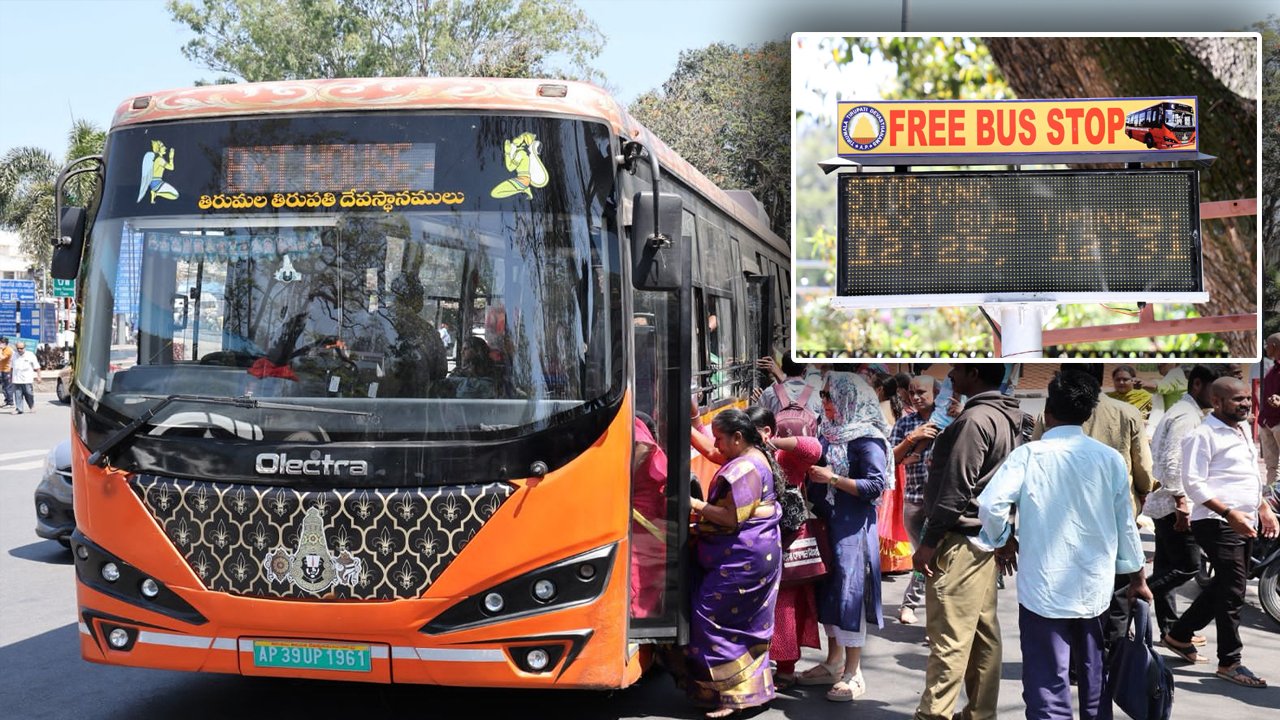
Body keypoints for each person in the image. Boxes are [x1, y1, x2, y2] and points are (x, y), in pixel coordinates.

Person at [977, 370, 1151, 720]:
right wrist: (1137, 578)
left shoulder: (1029, 455)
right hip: (1095, 588)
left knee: (1047, 679)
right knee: (1094, 673)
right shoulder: (1110, 460)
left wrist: (1002, 541)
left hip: (1043, 587)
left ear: (1047, 412)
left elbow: (990, 506)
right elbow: (1125, 526)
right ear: (1088, 414)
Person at [912, 364, 1024, 720]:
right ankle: (979, 712)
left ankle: (934, 714)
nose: (950, 375)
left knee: (950, 638)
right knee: (980, 632)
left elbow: (956, 489)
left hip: (960, 541)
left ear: (973, 373)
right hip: (984, 538)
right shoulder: (1007, 416)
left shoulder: (976, 420)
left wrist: (929, 541)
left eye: (957, 368)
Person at [1163, 377, 1280, 688]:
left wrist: (1263, 508)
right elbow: (1194, 484)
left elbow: (1248, 475)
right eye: (1237, 400)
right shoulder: (1202, 435)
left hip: (1244, 519)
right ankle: (1230, 662)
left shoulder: (1241, 430)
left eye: (1246, 399)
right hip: (1217, 522)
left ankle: (1178, 634)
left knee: (1227, 584)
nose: (1244, 404)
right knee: (1232, 592)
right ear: (1216, 402)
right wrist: (1230, 514)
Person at [794, 371, 889, 703]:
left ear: (849, 398)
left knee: (850, 595)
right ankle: (833, 663)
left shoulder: (867, 439)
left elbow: (875, 485)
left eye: (828, 396)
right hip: (828, 526)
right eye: (822, 396)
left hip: (852, 529)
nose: (824, 402)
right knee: (830, 592)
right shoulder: (829, 433)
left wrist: (832, 479)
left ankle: (853, 672)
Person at [685, 408, 783, 718]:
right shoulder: (752, 457)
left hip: (744, 558)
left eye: (721, 439)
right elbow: (713, 454)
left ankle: (732, 695)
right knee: (743, 623)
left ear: (737, 438)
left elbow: (730, 517)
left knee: (709, 618)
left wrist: (696, 505)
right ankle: (749, 691)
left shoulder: (745, 469)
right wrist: (687, 419)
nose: (718, 446)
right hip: (753, 553)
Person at [1143, 365, 1219, 642]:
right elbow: (1173, 463)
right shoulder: (1186, 417)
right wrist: (1181, 503)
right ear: (1197, 385)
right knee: (1187, 566)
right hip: (1175, 504)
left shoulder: (1186, 412)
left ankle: (1169, 630)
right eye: (1215, 389)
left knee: (1166, 567)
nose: (1219, 396)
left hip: (1168, 503)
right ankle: (1126, 597)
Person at [889, 374, 940, 625]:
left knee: (932, 557)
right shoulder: (905, 424)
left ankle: (916, 606)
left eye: (921, 392)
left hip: (940, 501)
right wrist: (912, 439)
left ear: (936, 393)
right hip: (913, 498)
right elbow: (889, 460)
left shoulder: (949, 420)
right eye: (911, 392)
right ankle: (914, 606)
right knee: (921, 555)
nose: (916, 397)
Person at [630, 412, 668, 619]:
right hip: (647, 517)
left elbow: (644, 446)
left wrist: (623, 480)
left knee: (638, 574)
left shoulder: (631, 421)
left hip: (642, 518)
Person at [1257, 333, 1280, 488]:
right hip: (1267, 423)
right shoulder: (1272, 369)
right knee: (1271, 466)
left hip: (1278, 422)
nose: (1265, 348)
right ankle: (1272, 496)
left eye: (1266, 345)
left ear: (1273, 346)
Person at [10, 341, 40, 414]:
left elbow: (37, 367)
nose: (19, 350)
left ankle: (32, 406)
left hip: (27, 379)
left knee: (29, 394)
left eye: (21, 348)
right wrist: (11, 377)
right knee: (17, 395)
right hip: (16, 379)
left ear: (24, 348)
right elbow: (11, 368)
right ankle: (19, 409)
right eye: (18, 348)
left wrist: (39, 377)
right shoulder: (14, 355)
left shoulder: (30, 355)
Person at [0, 336, 12, 408]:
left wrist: (1, 349)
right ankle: (7, 400)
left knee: (7, 387)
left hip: (7, 371)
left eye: (0, 343)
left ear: (4, 343)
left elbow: (1, 358)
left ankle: (10, 402)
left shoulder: (8, 350)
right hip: (1, 370)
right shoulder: (2, 349)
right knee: (4, 387)